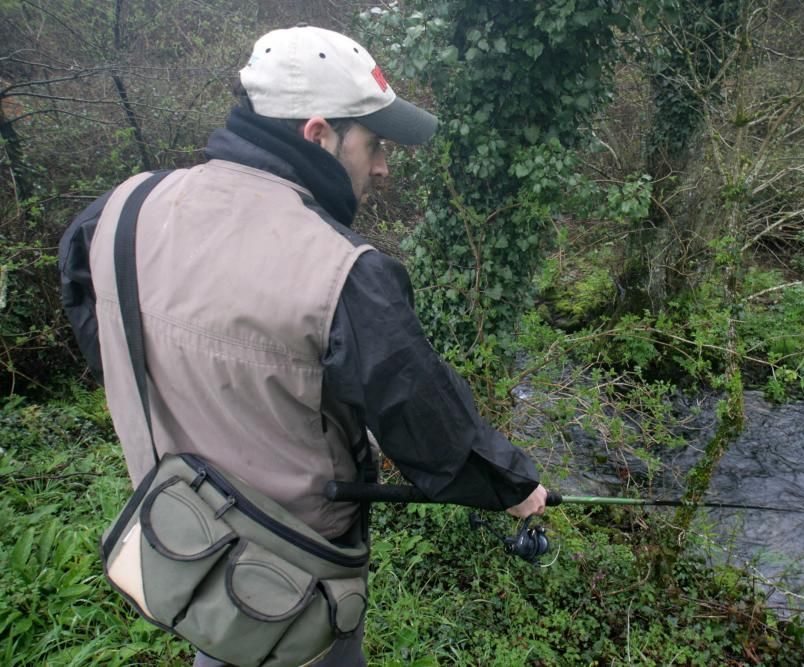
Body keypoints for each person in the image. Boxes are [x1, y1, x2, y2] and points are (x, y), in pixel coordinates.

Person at [59, 25, 547, 667]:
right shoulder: (346, 272)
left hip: (180, 536)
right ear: (318, 134)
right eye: (373, 144)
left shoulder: (118, 210)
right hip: (291, 583)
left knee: (219, 642)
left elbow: (107, 332)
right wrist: (513, 485)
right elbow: (428, 425)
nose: (382, 166)